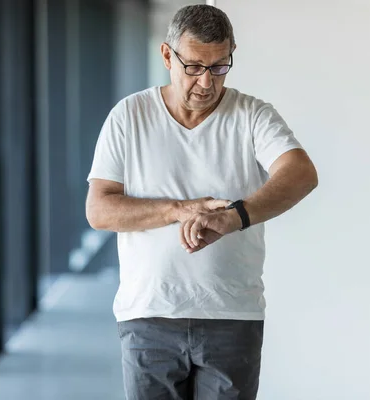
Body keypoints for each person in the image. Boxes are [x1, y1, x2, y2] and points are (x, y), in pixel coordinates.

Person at [85, 4, 318, 400]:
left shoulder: (252, 114)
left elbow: (301, 173)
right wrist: (178, 210)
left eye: (219, 66)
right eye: (193, 66)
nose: (206, 82)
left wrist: (234, 217)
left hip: (232, 315)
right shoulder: (129, 116)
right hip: (148, 316)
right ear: (166, 56)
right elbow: (99, 210)